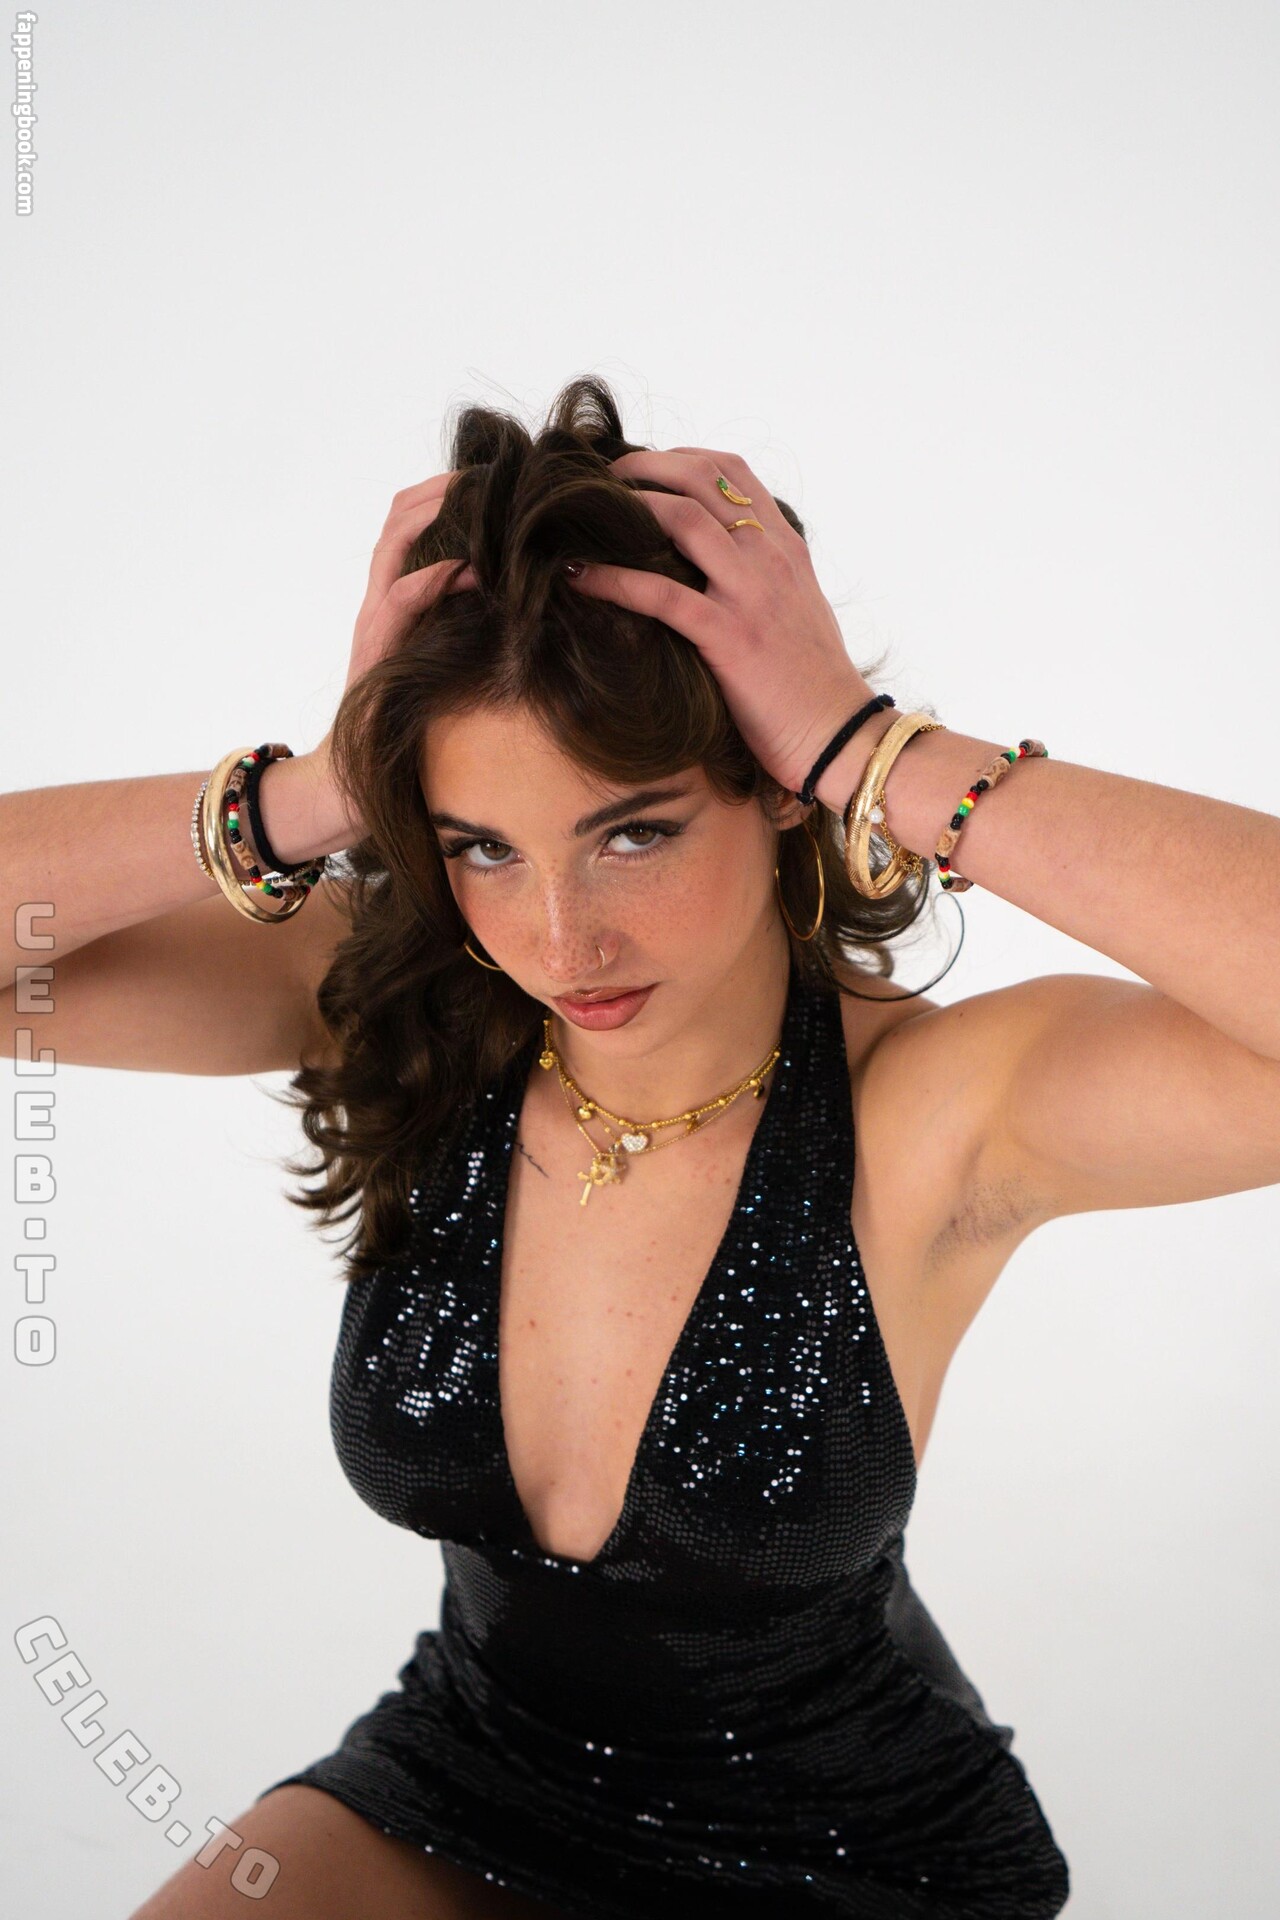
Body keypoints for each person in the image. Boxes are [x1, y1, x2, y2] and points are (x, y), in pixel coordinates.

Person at [7, 375, 1279, 1918]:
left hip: (840, 1862)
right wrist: (321, 786)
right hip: (465, 1776)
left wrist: (873, 747)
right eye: (484, 845)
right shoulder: (407, 1012)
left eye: (634, 831)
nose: (560, 939)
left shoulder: (935, 1112)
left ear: (779, 789)